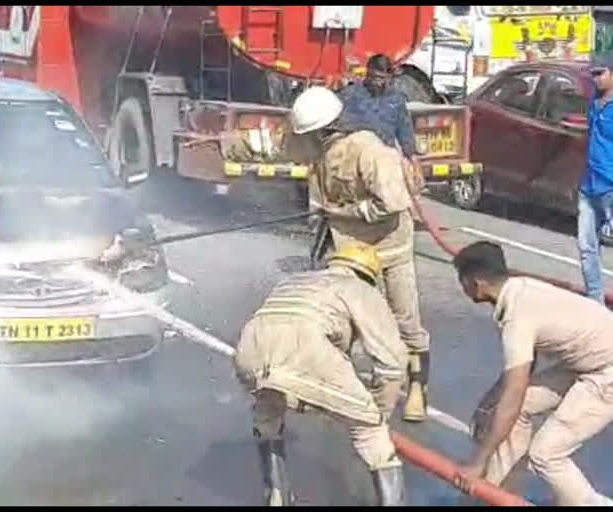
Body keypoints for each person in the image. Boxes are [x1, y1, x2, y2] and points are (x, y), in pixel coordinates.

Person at [298, 58, 432, 423]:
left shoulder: (369, 151)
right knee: (346, 320)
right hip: (351, 251)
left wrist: (346, 213)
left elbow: (392, 204)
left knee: (406, 320)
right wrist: (323, 225)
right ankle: (347, 386)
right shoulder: (322, 156)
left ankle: (417, 389)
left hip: (390, 246)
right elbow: (318, 204)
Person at [234, 242, 408, 506]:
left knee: (267, 412)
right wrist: (379, 410)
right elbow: (391, 362)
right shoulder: (359, 289)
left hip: (249, 347)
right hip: (306, 347)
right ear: (369, 275)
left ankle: (276, 496)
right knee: (371, 431)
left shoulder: (296, 281)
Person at [452, 241, 613, 506]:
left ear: (476, 282)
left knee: (546, 453)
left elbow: (513, 393)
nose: (463, 288)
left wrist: (477, 461)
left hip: (606, 370)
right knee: (516, 407)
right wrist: (488, 402)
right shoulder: (518, 289)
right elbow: (524, 367)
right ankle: (497, 493)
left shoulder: (517, 318)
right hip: (588, 358)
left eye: (463, 282)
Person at [578, 53, 613, 305]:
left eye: (600, 73)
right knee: (586, 246)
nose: (596, 79)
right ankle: (595, 301)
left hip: (610, 187)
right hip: (589, 186)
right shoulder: (594, 103)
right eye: (593, 74)